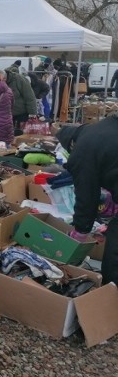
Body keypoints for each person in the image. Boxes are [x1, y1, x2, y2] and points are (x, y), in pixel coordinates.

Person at [56, 118, 118, 286]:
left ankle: (111, 297)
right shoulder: (102, 127)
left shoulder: (82, 149)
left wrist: (81, 230)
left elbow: (87, 196)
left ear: (71, 144)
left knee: (115, 254)